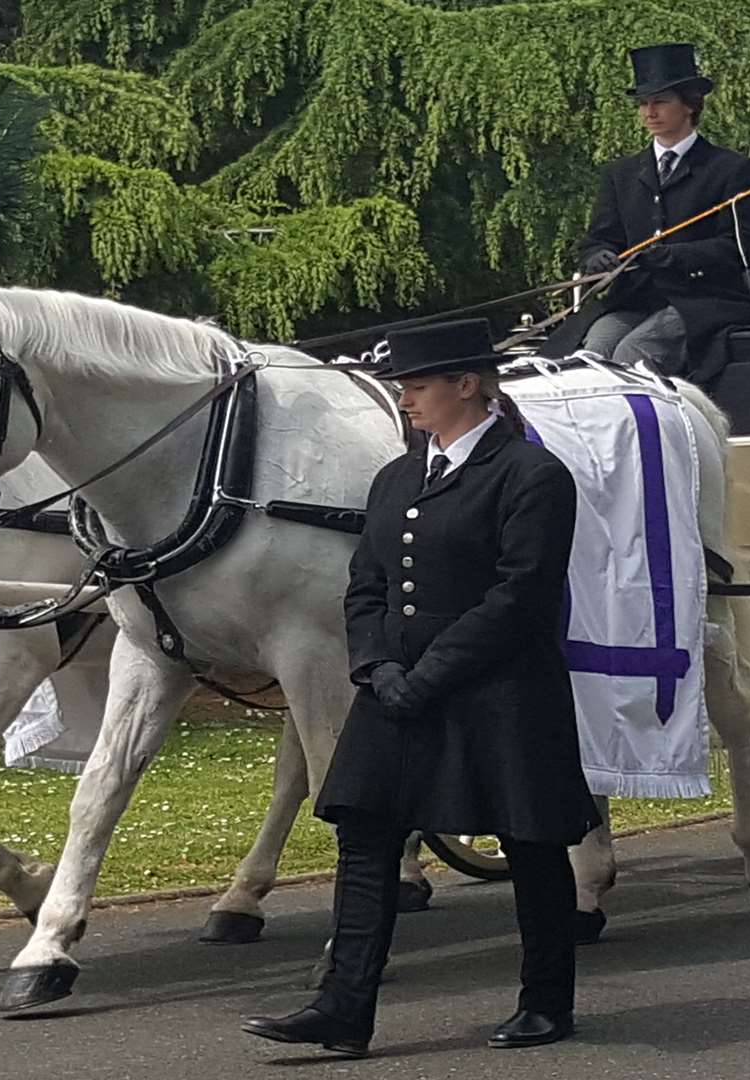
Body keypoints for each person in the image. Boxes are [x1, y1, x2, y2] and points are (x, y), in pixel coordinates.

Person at [241, 318, 600, 1057]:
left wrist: (429, 675)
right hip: (398, 685)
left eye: (419, 385)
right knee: (365, 836)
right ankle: (343, 1007)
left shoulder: (532, 475)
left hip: (498, 686)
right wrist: (376, 668)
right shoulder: (398, 476)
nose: (405, 399)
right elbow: (365, 584)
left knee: (529, 842)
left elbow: (520, 596)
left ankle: (545, 1001)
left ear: (467, 385)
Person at [573, 42, 750, 390]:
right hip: (636, 299)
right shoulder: (621, 174)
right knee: (596, 351)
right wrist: (596, 257)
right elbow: (600, 237)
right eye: (643, 104)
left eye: (660, 101)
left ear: (691, 104)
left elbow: (746, 247)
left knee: (634, 353)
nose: (649, 112)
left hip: (704, 301)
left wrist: (675, 257)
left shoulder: (731, 170)